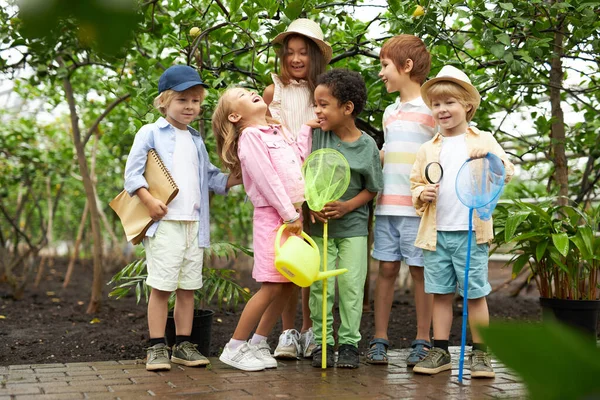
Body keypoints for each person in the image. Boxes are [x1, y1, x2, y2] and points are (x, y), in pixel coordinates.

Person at [124, 65, 241, 371]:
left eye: (196, 101)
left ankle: (183, 346)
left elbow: (212, 178)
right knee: (162, 288)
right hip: (165, 226)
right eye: (183, 100)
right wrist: (149, 201)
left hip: (193, 226)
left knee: (188, 288)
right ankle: (157, 346)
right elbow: (132, 175)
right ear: (164, 101)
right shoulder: (150, 132)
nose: (191, 107)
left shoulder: (195, 139)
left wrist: (240, 175)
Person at [409, 65, 514, 378]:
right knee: (440, 294)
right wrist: (422, 193)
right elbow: (415, 182)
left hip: (470, 232)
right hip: (436, 234)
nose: (442, 109)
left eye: (450, 103)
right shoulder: (428, 148)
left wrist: (491, 158)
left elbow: (506, 171)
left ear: (467, 105)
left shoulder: (483, 140)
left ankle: (481, 355)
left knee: (475, 293)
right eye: (437, 104)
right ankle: (440, 351)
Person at [212, 87, 312, 371]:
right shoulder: (250, 138)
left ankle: (258, 342)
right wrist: (289, 214)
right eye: (243, 95)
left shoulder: (275, 133)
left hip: (292, 215)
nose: (253, 92)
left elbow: (299, 160)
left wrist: (305, 129)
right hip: (274, 217)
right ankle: (234, 346)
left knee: (287, 283)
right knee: (270, 286)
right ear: (235, 116)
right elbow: (267, 180)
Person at [304, 69, 384, 368]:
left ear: (347, 108)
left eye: (324, 104)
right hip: (318, 229)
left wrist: (348, 206)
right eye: (316, 104)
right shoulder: (315, 135)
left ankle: (349, 343)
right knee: (318, 287)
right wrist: (308, 204)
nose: (317, 110)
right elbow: (301, 173)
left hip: (352, 228)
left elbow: (373, 189)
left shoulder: (367, 147)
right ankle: (322, 341)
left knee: (351, 286)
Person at [262, 18, 332, 360]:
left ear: (315, 55)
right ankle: (288, 332)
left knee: (314, 260)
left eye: (303, 52)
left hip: (316, 184)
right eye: (289, 52)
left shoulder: (323, 91)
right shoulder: (273, 92)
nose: (296, 58)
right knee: (288, 262)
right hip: (284, 188)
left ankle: (311, 330)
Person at [366, 35, 436, 367]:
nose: (381, 73)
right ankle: (380, 338)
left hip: (417, 208)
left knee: (420, 273)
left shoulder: (431, 111)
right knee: (387, 270)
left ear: (406, 67)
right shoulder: (389, 113)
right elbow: (391, 153)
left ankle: (423, 339)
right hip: (386, 207)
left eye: (384, 66)